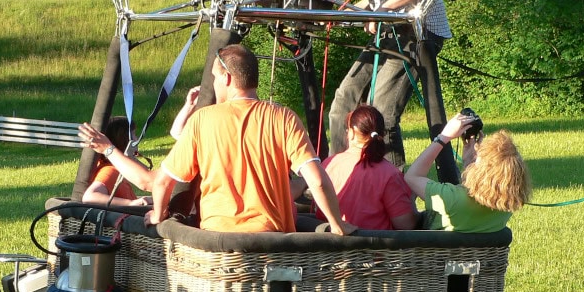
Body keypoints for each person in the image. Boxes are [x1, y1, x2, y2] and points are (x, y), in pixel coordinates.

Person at [144, 44, 356, 235]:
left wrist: (157, 215)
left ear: (227, 78)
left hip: (217, 242)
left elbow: (162, 182)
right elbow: (317, 181)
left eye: (215, 77)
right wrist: (336, 224)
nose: (214, 84)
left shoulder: (201, 119)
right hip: (270, 243)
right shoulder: (284, 118)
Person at [316, 0, 457, 181]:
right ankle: (338, 179)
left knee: (382, 113)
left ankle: (393, 190)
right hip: (391, 30)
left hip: (417, 32)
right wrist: (340, 15)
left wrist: (382, 10)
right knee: (342, 101)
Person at [404, 112, 532, 232]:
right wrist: (469, 164)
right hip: (480, 256)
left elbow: (412, 176)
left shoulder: (451, 199)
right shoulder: (506, 207)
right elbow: (479, 195)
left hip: (436, 255)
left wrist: (443, 137)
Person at [316, 104, 418, 230]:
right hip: (375, 247)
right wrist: (411, 198)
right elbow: (406, 224)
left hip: (330, 245)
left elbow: (319, 213)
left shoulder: (328, 164)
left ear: (352, 132)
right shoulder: (389, 173)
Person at [78, 117, 154, 207]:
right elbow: (90, 197)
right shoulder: (111, 171)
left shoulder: (113, 167)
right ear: (123, 140)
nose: (137, 139)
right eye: (134, 134)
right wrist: (130, 203)